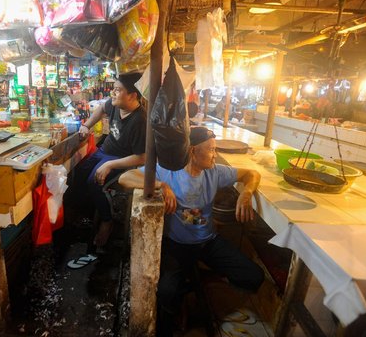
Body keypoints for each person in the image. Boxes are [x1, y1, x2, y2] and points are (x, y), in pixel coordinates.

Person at [118, 127, 264, 336]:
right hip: (175, 245)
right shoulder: (168, 170)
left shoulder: (215, 171)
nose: (215, 155)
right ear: (193, 151)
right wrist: (161, 185)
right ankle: (179, 305)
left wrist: (247, 193)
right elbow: (126, 177)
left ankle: (199, 281)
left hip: (208, 242)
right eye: (211, 150)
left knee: (253, 276)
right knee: (167, 293)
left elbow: (252, 173)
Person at [67, 73, 147, 258]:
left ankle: (107, 221)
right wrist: (86, 125)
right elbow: (102, 108)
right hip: (104, 151)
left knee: (95, 182)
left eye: (118, 90)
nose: (113, 93)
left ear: (132, 95)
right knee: (78, 174)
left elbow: (142, 157)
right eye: (114, 88)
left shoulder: (139, 120)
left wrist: (111, 164)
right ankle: (83, 217)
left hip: (122, 160)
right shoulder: (115, 104)